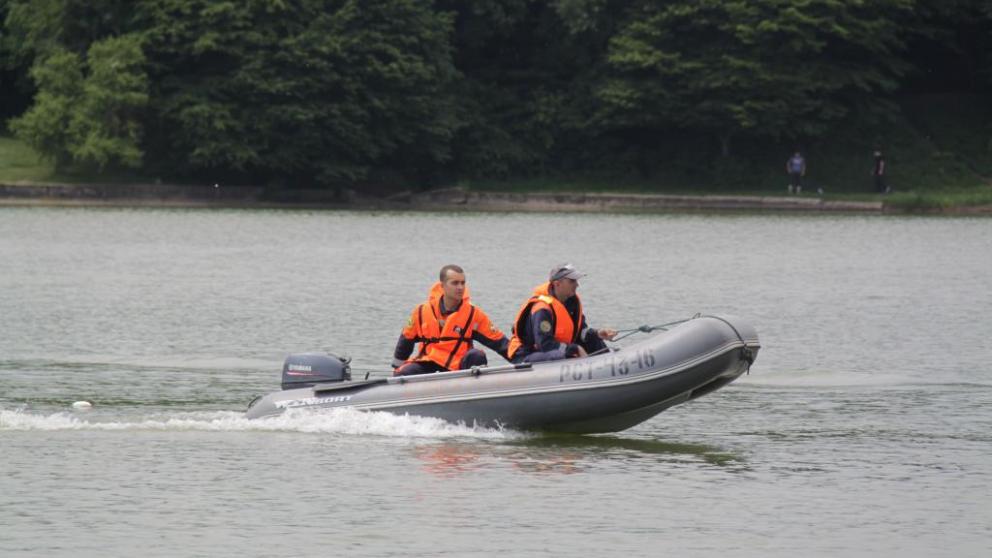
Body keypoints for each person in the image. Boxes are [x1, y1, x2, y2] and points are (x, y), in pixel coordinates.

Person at [392, 264, 509, 376]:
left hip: (458, 364)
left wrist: (523, 360)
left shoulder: (473, 314)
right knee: (404, 372)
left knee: (477, 356)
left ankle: (472, 392)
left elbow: (500, 342)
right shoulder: (421, 311)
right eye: (455, 283)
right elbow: (405, 341)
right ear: (442, 286)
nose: (460, 287)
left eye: (463, 283)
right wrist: (396, 368)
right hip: (428, 362)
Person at [507, 263, 617, 364]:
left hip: (554, 349)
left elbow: (580, 331)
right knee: (562, 354)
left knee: (594, 340)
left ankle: (610, 366)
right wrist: (574, 349)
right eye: (572, 281)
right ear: (557, 283)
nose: (577, 285)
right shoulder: (542, 309)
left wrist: (597, 333)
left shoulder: (571, 302)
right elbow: (545, 345)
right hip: (527, 354)